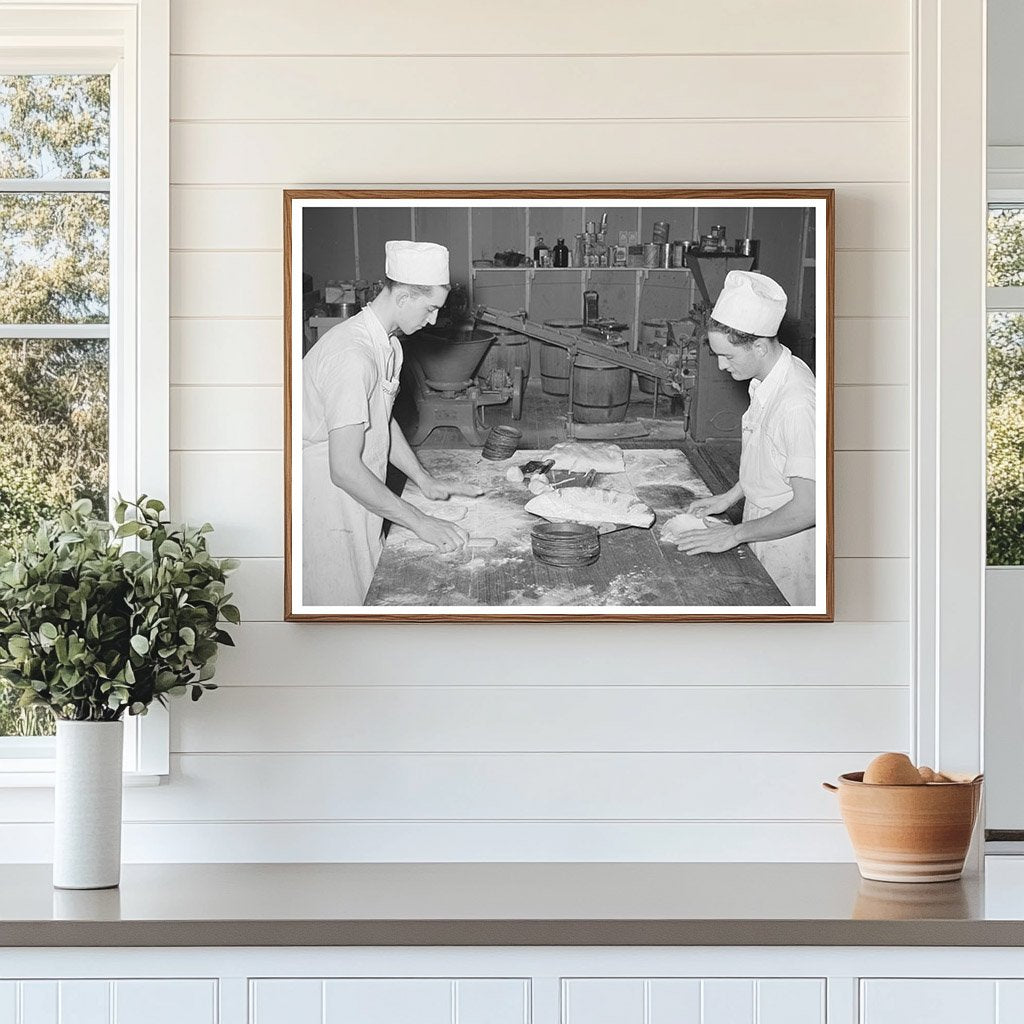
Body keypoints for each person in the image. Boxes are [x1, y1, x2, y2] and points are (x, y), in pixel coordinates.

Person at [301, 240, 481, 606]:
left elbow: (380, 420)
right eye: (430, 308)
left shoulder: (388, 345)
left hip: (362, 487)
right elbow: (344, 469)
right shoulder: (353, 356)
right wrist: (419, 521)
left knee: (368, 585)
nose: (432, 320)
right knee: (342, 601)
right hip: (327, 496)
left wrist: (423, 479)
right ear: (402, 298)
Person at [673, 270, 817, 606]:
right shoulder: (769, 378)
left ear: (760, 346)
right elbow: (772, 457)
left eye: (729, 356)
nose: (722, 367)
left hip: (789, 546)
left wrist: (734, 533)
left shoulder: (797, 403)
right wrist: (731, 497)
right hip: (762, 523)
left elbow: (810, 506)